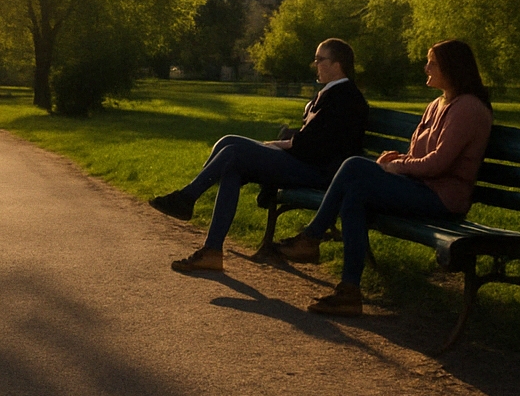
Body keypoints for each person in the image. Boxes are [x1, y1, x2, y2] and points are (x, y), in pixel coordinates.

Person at [273, 39, 494, 317]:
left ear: (453, 68)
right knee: (354, 195)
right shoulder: (438, 104)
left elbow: (438, 164)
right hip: (420, 187)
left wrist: (399, 167)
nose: (426, 67)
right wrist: (398, 159)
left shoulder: (468, 109)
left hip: (442, 199)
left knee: (354, 166)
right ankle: (349, 292)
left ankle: (312, 237)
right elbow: (420, 155)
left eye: (432, 63)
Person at [149, 38, 369, 273]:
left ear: (337, 64)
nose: (315, 65)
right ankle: (211, 249)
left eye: (319, 60)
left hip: (320, 173)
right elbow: (311, 141)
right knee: (229, 143)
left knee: (234, 153)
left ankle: (187, 200)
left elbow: (317, 147)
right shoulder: (332, 94)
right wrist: (277, 145)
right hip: (305, 162)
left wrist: (275, 145)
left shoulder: (346, 98)